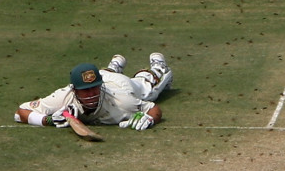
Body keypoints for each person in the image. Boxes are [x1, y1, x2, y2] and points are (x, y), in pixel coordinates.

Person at [15, 53, 173, 134]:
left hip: (120, 84)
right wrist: (48, 120)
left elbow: (154, 108)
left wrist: (150, 118)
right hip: (102, 77)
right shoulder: (63, 96)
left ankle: (158, 68)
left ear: (100, 86)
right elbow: (21, 112)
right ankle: (112, 66)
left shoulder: (122, 100)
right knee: (99, 75)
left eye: (94, 89)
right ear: (74, 90)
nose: (91, 94)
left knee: (147, 90)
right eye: (85, 90)